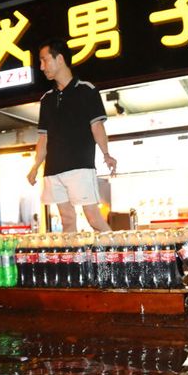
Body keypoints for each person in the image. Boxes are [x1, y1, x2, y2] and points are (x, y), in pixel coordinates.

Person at [27, 38, 118, 233]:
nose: (41, 67)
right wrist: (35, 166)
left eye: (44, 60)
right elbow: (43, 138)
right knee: (67, 220)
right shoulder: (46, 99)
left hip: (80, 167)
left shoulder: (87, 90)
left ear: (59, 59)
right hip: (53, 170)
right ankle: (71, 263)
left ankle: (120, 259)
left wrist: (106, 154)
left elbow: (97, 126)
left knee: (94, 218)